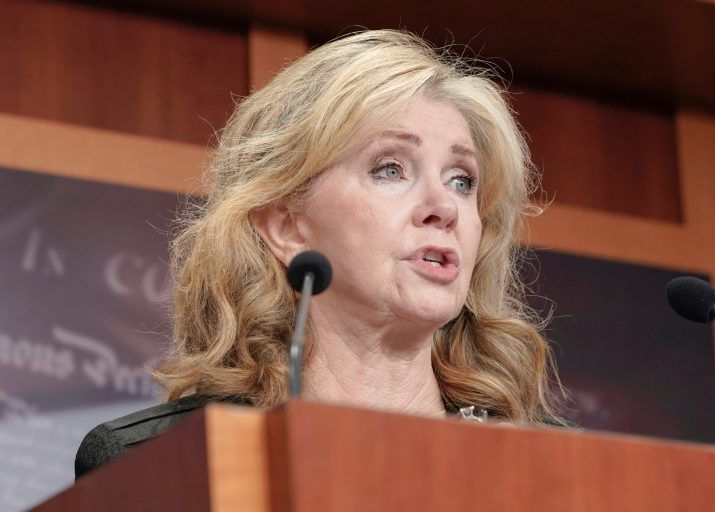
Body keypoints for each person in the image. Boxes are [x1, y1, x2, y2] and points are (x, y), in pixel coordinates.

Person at [74, 29, 562, 479]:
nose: (443, 209)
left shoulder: (557, 466)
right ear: (287, 226)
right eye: (390, 169)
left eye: (462, 181)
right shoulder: (159, 463)